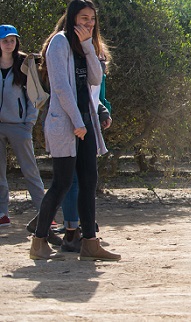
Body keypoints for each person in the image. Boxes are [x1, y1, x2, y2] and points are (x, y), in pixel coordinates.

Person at [29, 0, 120, 261]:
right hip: (65, 124)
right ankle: (39, 242)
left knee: (89, 182)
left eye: (92, 19)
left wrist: (88, 47)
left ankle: (90, 243)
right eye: (84, 18)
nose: (89, 23)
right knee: (63, 183)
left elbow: (95, 78)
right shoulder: (59, 42)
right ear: (72, 18)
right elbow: (60, 86)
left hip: (86, 123)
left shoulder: (85, 44)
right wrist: (77, 124)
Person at [59, 48, 112, 253]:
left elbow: (94, 97)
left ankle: (81, 228)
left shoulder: (95, 67)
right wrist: (77, 122)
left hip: (87, 123)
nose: (100, 63)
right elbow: (69, 94)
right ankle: (70, 231)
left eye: (102, 60)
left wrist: (103, 110)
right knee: (69, 181)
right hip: (72, 124)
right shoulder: (69, 59)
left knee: (83, 180)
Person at [0, 25, 45, 228]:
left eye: (12, 40)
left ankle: (44, 212)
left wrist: (29, 122)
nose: (9, 44)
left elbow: (34, 96)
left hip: (19, 126)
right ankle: (2, 213)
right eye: (5, 40)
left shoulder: (25, 64)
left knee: (30, 170)